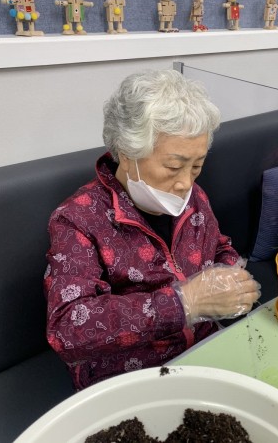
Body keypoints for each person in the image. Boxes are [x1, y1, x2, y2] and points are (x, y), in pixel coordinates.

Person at [44, 69, 261, 390]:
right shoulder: (78, 219)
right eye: (174, 166)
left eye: (197, 166)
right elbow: (68, 329)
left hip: (203, 350)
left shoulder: (194, 198)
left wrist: (231, 277)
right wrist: (184, 302)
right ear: (127, 153)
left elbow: (218, 246)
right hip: (130, 376)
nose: (185, 182)